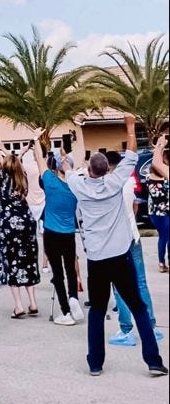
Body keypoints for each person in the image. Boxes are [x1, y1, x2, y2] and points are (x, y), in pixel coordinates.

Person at [63, 113, 167, 378]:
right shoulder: (115, 182)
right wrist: (130, 126)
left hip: (97, 260)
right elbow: (131, 154)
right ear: (106, 169)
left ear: (89, 170)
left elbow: (65, 167)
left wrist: (70, 157)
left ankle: (95, 363)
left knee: (97, 310)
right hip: (121, 257)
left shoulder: (78, 185)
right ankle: (153, 360)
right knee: (138, 307)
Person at [106, 151, 163, 347]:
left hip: (116, 241)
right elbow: (135, 207)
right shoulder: (129, 181)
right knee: (141, 282)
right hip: (133, 236)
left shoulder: (107, 185)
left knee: (120, 286)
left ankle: (126, 329)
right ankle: (152, 326)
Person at [0, 133, 40, 317]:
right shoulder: (22, 176)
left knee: (12, 262)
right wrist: (19, 151)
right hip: (27, 222)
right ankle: (33, 302)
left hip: (9, 225)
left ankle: (19, 305)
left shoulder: (1, 176)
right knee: (28, 261)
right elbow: (15, 160)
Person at [29, 132, 83, 326]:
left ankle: (66, 311)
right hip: (69, 233)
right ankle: (74, 298)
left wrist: (36, 140)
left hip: (52, 233)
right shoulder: (76, 187)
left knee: (57, 274)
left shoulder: (51, 182)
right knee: (70, 269)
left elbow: (40, 161)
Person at [147, 135, 169, 273]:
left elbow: (156, 163)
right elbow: (158, 164)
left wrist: (159, 146)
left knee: (163, 237)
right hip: (165, 212)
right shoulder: (166, 179)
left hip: (154, 213)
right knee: (166, 237)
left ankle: (161, 263)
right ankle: (163, 263)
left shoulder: (150, 179)